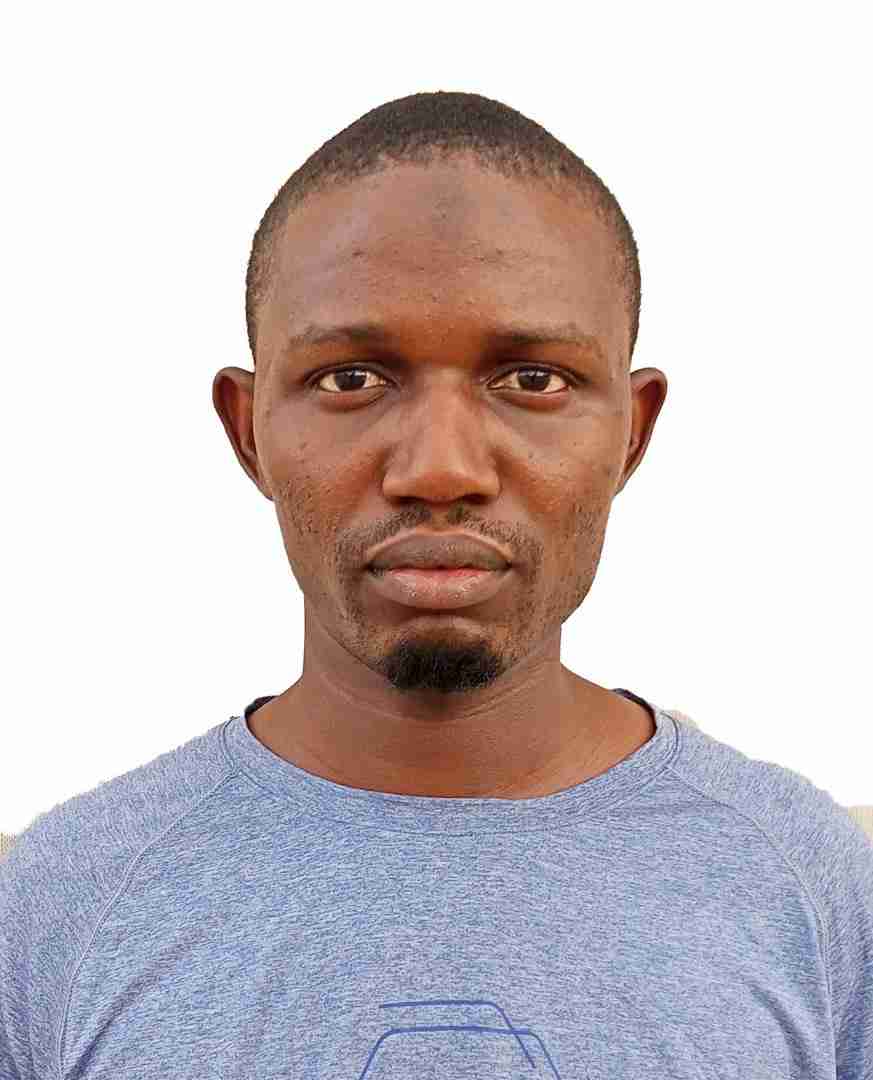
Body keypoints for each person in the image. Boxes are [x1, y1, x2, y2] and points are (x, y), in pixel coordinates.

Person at [2, 91, 870, 1079]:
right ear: (248, 432)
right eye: (352, 379)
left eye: (532, 380)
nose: (441, 468)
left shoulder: (808, 885)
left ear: (632, 432)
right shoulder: (61, 905)